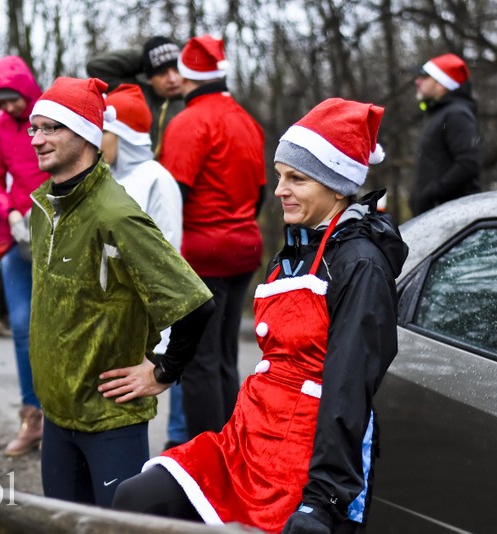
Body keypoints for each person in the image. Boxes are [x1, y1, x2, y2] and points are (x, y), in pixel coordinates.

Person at [112, 98, 409, 534]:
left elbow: (349, 388)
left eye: (297, 179)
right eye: (279, 177)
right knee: (137, 497)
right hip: (247, 438)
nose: (279, 190)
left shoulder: (359, 264)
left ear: (336, 185)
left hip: (304, 458)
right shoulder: (295, 249)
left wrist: (323, 501)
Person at [26, 76, 214, 507]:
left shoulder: (117, 213)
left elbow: (195, 305)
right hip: (57, 415)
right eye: (34, 128)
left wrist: (163, 371)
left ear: (88, 134)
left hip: (110, 421)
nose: (37, 139)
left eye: (52, 127)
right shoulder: (43, 208)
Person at [159, 34, 266, 440]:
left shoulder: (188, 123)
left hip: (203, 255)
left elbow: (175, 197)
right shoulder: (247, 120)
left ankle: (210, 458)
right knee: (223, 355)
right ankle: (232, 446)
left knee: (199, 361)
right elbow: (257, 195)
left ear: (187, 78)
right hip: (243, 250)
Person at [101, 83, 189, 449]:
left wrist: (161, 342)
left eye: (103, 132)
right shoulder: (105, 178)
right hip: (107, 317)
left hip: (140, 321)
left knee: (128, 406)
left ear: (121, 134)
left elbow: (167, 255)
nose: (96, 140)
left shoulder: (157, 180)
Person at [0, 56, 48, 457]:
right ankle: (32, 417)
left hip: (55, 234)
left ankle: (63, 417)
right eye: (0, 101)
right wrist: (8, 211)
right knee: (21, 326)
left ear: (25, 90)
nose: (8, 108)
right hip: (16, 238)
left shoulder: (51, 116)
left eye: (13, 99)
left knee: (56, 325)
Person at [88, 36, 184, 159]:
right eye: (162, 73)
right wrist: (148, 56)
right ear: (149, 78)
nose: (172, 79)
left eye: (177, 70)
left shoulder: (192, 100)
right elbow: (97, 66)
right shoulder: (136, 94)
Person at [410, 52, 481, 216]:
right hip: (437, 215)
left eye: (425, 77)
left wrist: (432, 193)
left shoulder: (456, 114)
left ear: (442, 84)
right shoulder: (438, 113)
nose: (417, 81)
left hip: (452, 217)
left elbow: (468, 163)